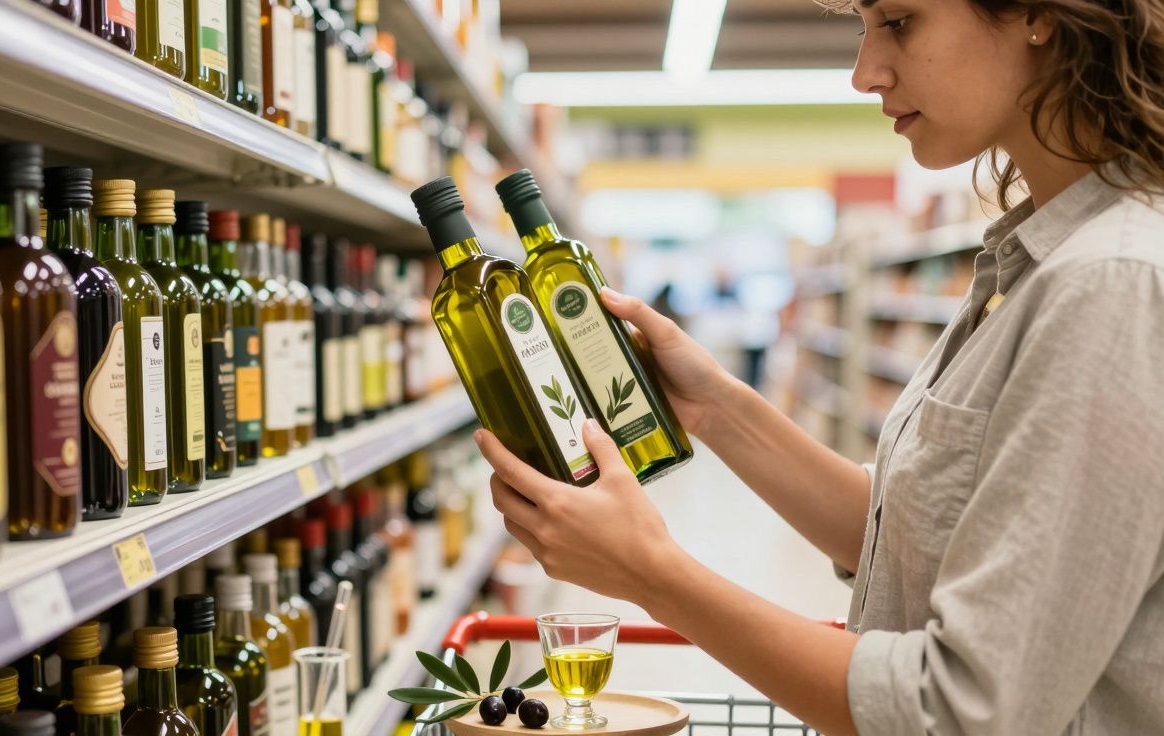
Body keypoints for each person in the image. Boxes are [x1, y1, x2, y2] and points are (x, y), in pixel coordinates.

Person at [472, 1, 1164, 734]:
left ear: (1036, 13)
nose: (864, 73)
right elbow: (906, 537)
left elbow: (960, 712)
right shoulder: (1031, 262)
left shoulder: (1112, 283)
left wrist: (648, 570)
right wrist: (712, 405)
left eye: (899, 21)